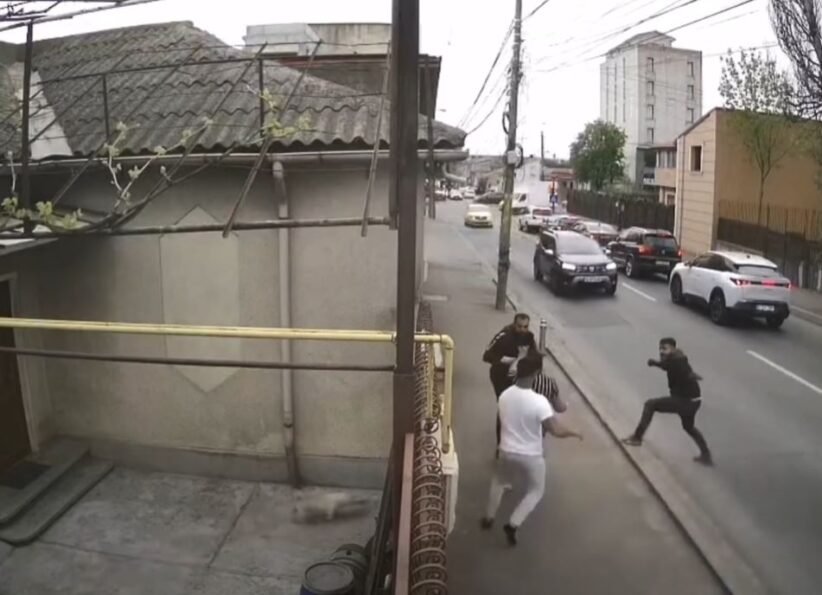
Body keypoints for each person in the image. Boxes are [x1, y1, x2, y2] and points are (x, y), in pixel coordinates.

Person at [481, 354, 583, 546]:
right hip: (531, 455)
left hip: (506, 450)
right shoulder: (539, 402)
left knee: (499, 482)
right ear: (536, 373)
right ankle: (513, 523)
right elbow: (555, 430)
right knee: (536, 491)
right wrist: (574, 432)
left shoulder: (504, 395)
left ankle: (488, 518)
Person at [622, 338, 713, 465]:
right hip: (694, 401)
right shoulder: (676, 359)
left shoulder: (677, 362)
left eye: (665, 348)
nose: (661, 351)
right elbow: (667, 366)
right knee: (688, 427)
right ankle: (706, 455)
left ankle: (637, 438)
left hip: (685, 401)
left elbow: (675, 368)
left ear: (673, 349)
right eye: (660, 348)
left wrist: (691, 376)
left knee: (650, 404)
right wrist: (655, 363)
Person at [483, 313, 538, 450]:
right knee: (505, 408)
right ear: (514, 325)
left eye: (525, 327)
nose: (523, 330)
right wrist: (504, 360)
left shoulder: (529, 337)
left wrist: (525, 359)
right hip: (500, 377)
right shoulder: (504, 336)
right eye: (519, 327)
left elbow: (534, 356)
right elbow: (487, 355)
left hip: (518, 378)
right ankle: (500, 444)